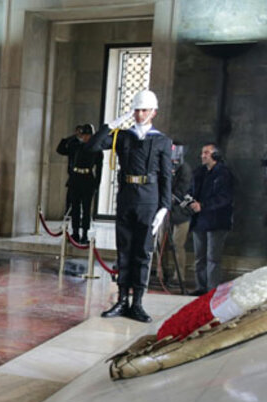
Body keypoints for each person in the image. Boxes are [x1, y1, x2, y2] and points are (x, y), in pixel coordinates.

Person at [89, 90, 172, 322]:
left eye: (144, 110)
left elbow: (166, 176)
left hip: (149, 200)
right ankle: (122, 299)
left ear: (153, 112)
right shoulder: (122, 136)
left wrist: (164, 207)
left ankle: (137, 303)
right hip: (126, 197)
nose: (139, 114)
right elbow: (93, 146)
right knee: (124, 251)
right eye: (136, 110)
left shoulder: (162, 141)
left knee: (142, 253)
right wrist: (112, 124)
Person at [188, 143, 234, 294]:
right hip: (199, 221)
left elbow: (224, 198)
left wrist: (204, 205)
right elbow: (191, 190)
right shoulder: (199, 173)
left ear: (215, 155)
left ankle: (211, 290)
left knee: (213, 258)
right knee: (199, 257)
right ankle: (200, 287)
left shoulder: (224, 173)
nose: (203, 155)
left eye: (206, 153)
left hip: (216, 221)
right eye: (202, 152)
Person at [56, 124, 101, 244]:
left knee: (86, 209)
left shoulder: (96, 149)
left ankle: (85, 234)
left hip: (88, 180)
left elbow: (99, 170)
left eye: (88, 135)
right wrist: (71, 138)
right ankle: (75, 233)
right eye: (84, 135)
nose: (86, 137)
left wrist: (96, 185)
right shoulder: (75, 146)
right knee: (75, 208)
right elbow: (60, 149)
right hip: (75, 179)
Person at [165, 141, 194, 288]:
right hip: (166, 212)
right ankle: (162, 273)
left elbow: (182, 191)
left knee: (178, 245)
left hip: (181, 213)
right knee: (163, 246)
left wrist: (171, 197)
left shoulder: (185, 169)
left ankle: (179, 276)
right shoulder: (166, 166)